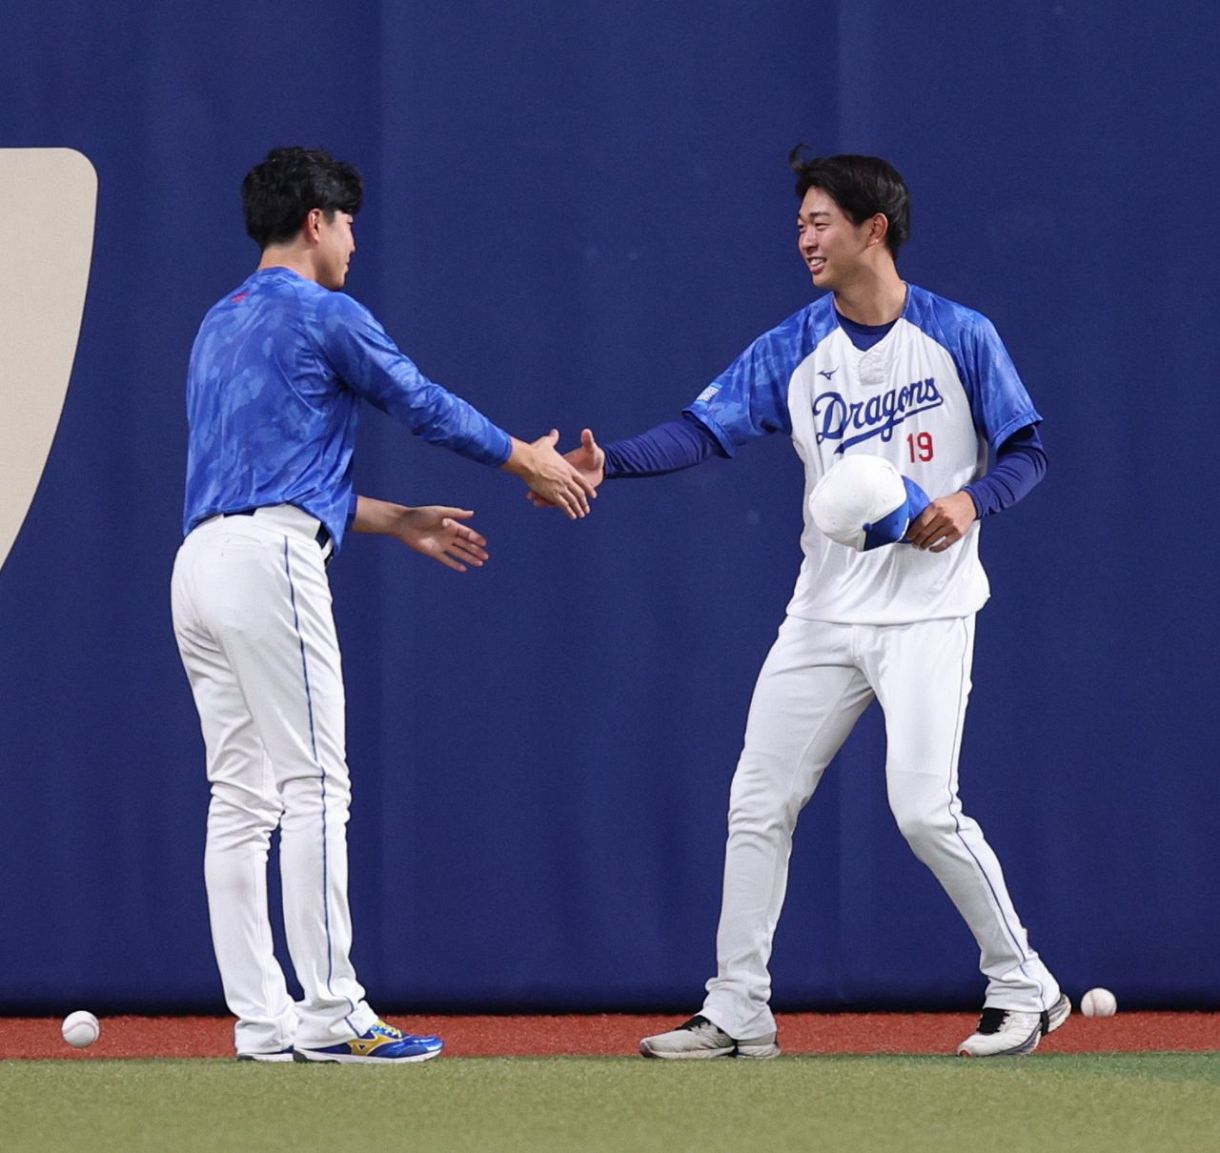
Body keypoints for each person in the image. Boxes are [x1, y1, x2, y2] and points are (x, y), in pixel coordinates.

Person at [547, 150, 1069, 1058]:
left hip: (930, 611)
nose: (805, 237)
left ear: (877, 228)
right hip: (824, 613)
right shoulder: (795, 346)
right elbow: (703, 428)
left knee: (921, 809)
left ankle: (1025, 983)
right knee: (758, 798)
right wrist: (611, 462)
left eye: (821, 220)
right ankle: (738, 1006)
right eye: (799, 223)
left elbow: (1027, 449)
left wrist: (968, 501)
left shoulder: (959, 335)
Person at [170, 146, 595, 1064]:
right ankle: (332, 1013)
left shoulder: (217, 323)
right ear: (317, 220)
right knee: (316, 783)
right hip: (268, 562)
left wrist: (398, 518)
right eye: (350, 223)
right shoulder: (326, 313)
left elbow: (264, 478)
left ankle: (262, 1021)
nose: (356, 242)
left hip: (199, 564)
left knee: (240, 798)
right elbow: (421, 402)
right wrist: (527, 456)